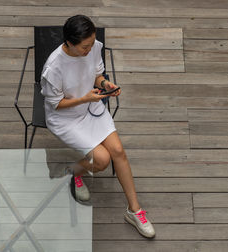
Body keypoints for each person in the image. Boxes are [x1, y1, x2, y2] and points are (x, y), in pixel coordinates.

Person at [40, 15, 155, 238]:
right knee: (102, 160)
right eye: (85, 46)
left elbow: (96, 75)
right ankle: (73, 172)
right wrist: (85, 99)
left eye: (92, 43)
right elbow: (55, 105)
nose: (90, 49)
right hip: (65, 117)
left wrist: (105, 84)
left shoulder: (91, 47)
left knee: (118, 151)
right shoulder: (53, 67)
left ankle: (134, 210)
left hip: (90, 106)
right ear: (69, 43)